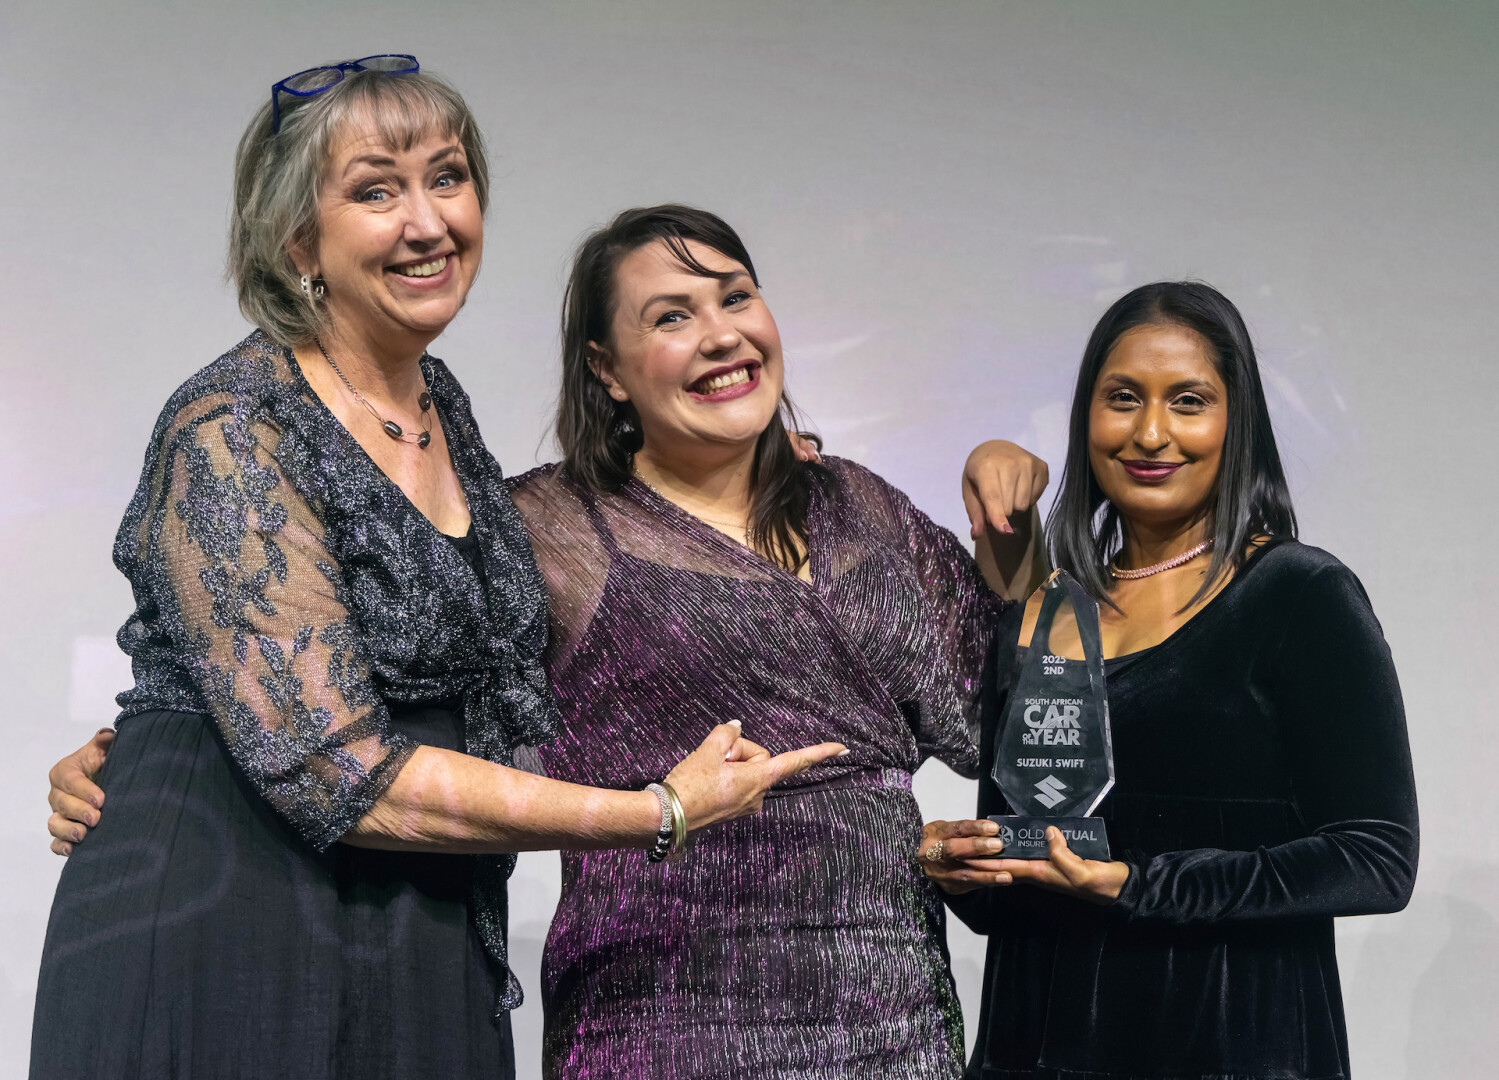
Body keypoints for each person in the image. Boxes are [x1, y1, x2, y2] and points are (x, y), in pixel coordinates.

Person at [29, 61, 845, 1080]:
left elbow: (534, 615)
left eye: (447, 178)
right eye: (376, 190)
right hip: (233, 918)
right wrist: (655, 813)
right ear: (297, 242)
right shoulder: (233, 427)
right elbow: (333, 768)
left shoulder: (434, 403)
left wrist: (747, 470)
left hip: (413, 910)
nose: (429, 223)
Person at [499, 205, 1047, 1078]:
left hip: (890, 1008)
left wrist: (1012, 531)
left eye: (735, 297)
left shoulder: (860, 506)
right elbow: (454, 761)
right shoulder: (551, 530)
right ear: (605, 369)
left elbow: (1003, 717)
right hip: (661, 1015)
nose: (721, 335)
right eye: (671, 317)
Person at [919, 281, 1419, 1079]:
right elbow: (1029, 875)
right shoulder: (1045, 611)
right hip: (1034, 1045)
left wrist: (1138, 884)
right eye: (1122, 398)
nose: (1150, 433)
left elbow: (1375, 858)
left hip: (1226, 1044)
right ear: (1086, 415)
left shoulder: (1297, 595)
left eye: (1187, 401)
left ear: (1235, 422)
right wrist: (967, 871)